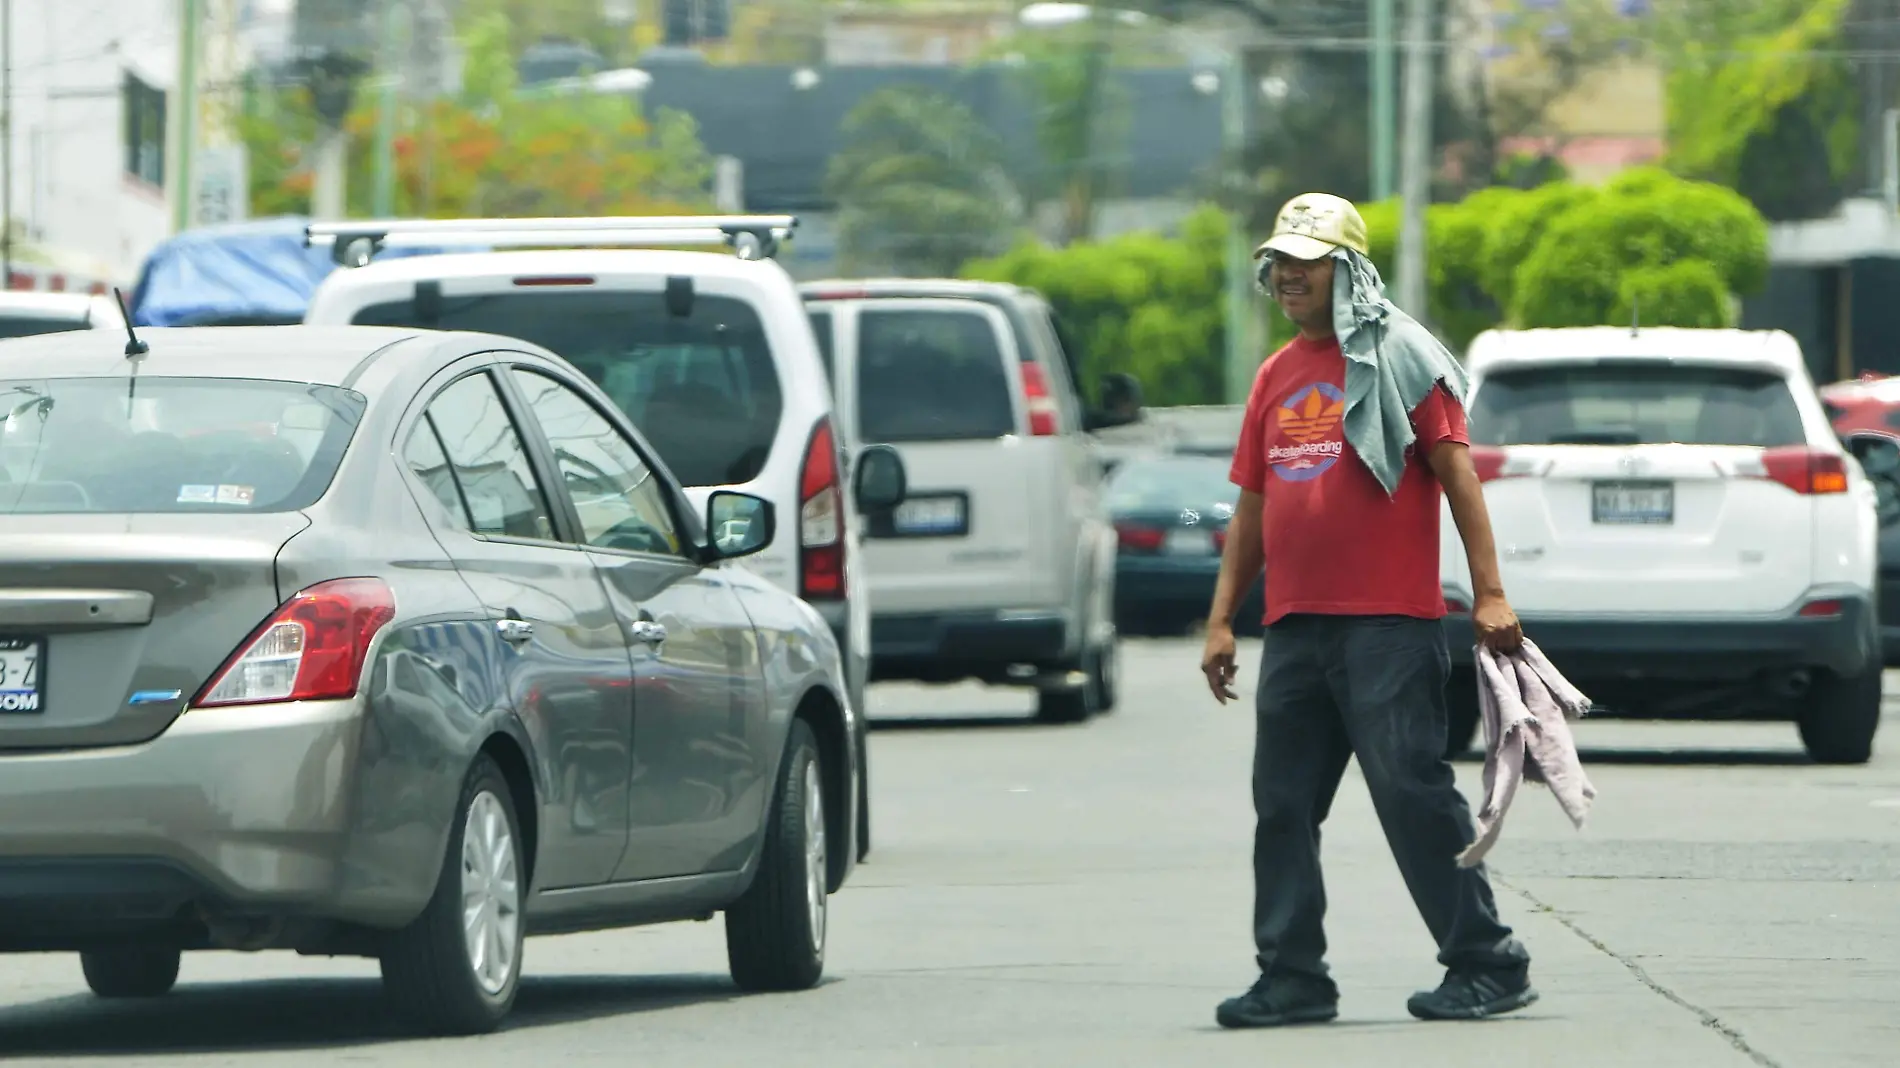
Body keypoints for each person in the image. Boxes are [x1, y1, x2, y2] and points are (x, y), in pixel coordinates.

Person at [1202, 191, 1535, 1029]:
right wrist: (1220, 620)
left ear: (1347, 269)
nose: (1287, 276)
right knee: (1281, 806)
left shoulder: (1401, 356)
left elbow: (1460, 477)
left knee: (1412, 794)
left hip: (1390, 623)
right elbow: (1250, 508)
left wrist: (1490, 593)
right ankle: (1293, 978)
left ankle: (1487, 962)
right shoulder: (1276, 373)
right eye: (1279, 261)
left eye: (1307, 262)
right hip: (1296, 626)